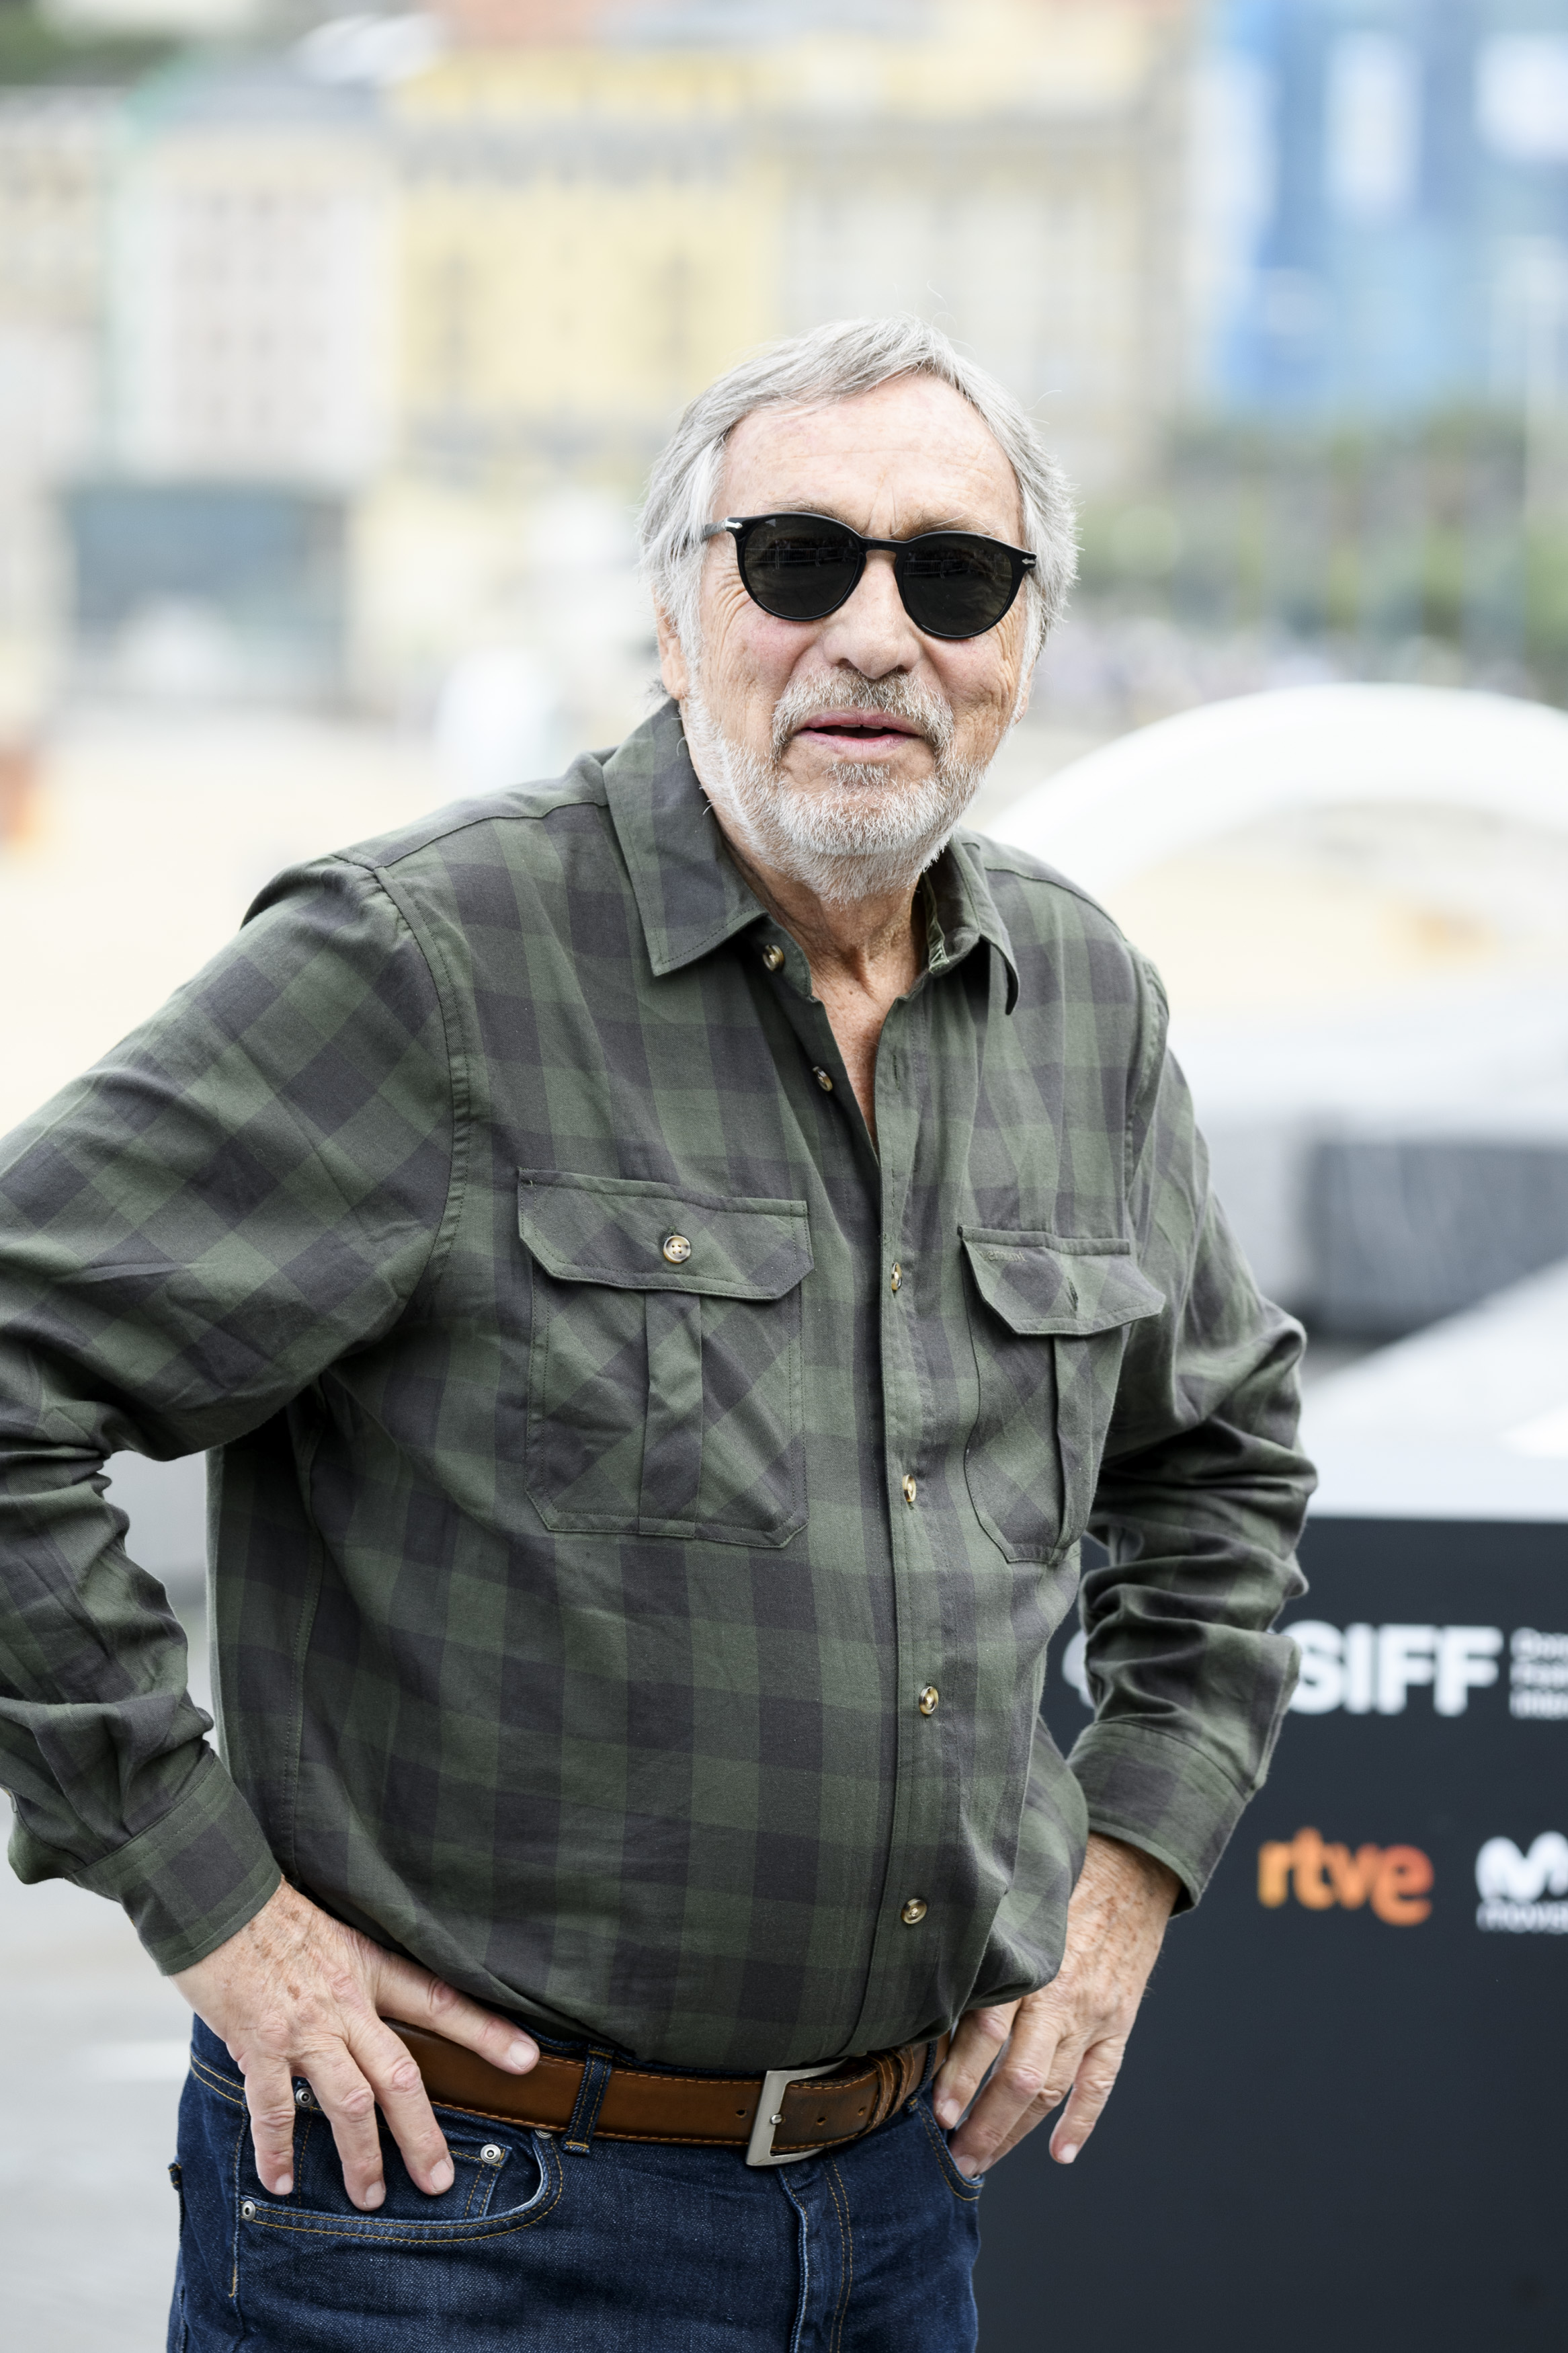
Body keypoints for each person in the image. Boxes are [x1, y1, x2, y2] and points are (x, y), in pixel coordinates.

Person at [0, 317, 1311, 2351]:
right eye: (799, 558)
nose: (874, 633)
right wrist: (211, 1901)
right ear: (679, 610)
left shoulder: (1083, 1004)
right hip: (443, 2231)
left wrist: (1133, 1859)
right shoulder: (425, 963)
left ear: (1025, 640)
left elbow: (1216, 1461)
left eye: (953, 576)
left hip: (899, 2216)